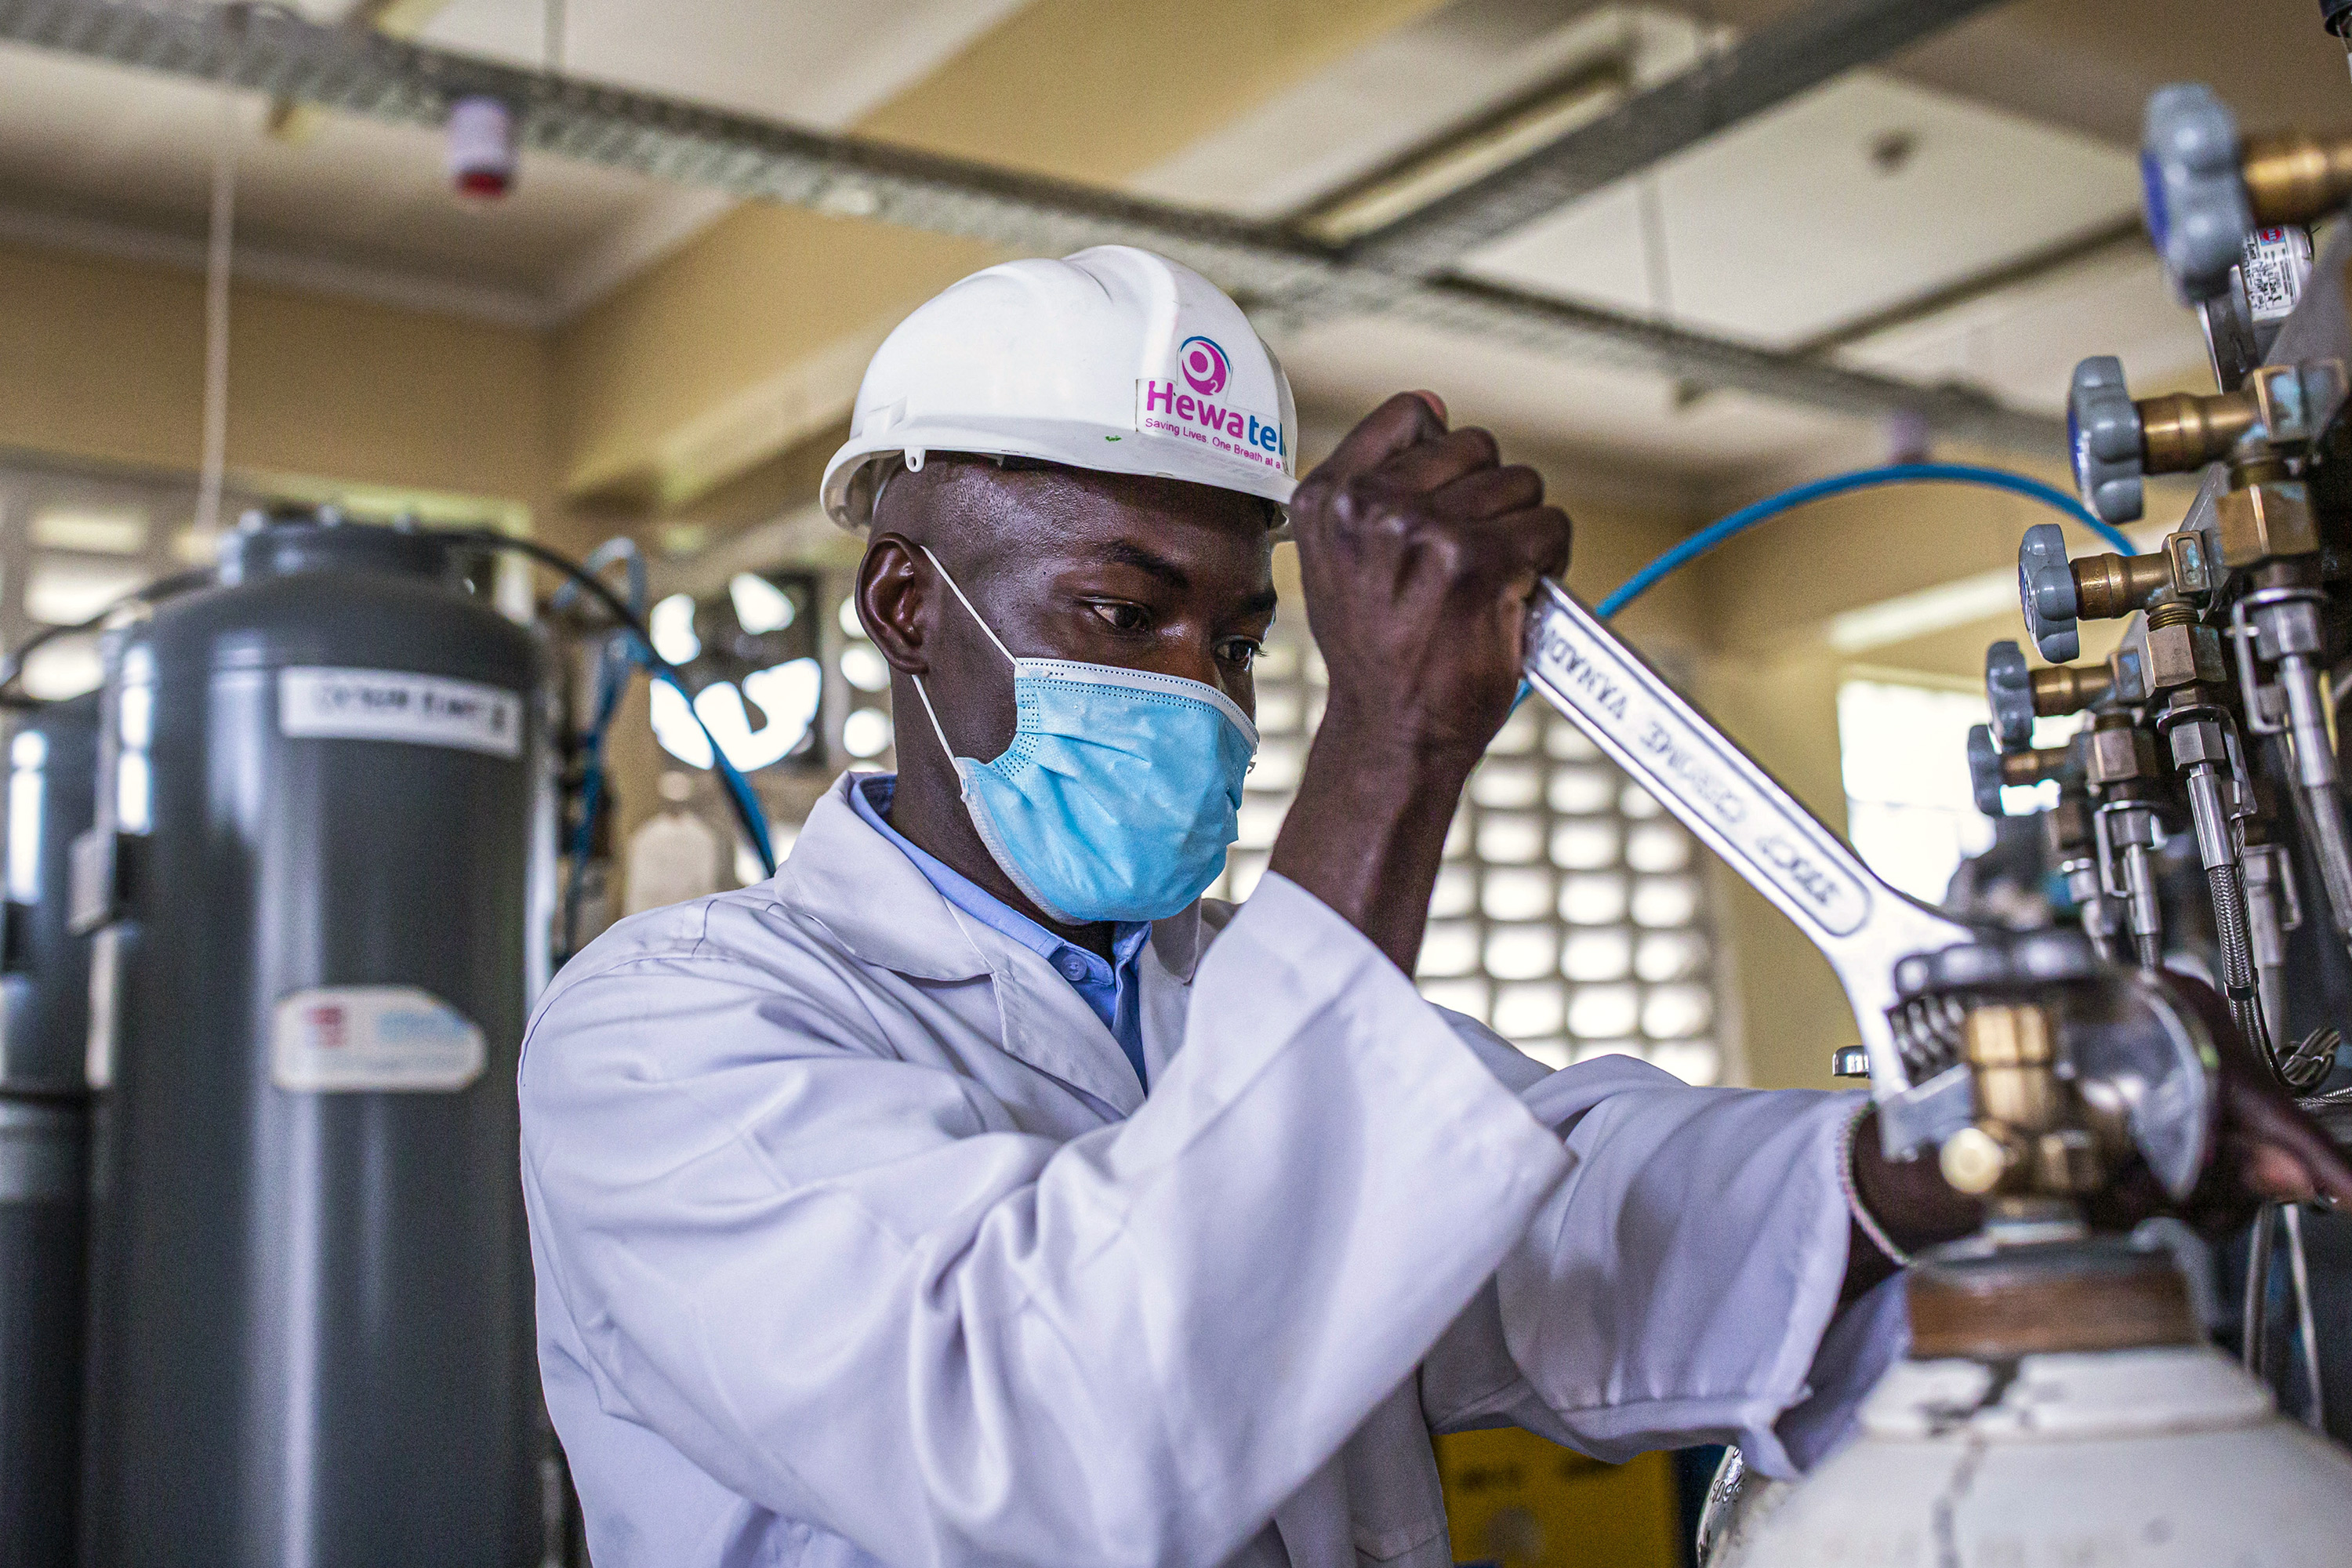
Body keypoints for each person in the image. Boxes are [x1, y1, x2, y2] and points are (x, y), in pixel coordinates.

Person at [520, 246, 2352, 1568]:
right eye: (1118, 608)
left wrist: (1946, 1155)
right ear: (911, 608)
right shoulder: (673, 1030)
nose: (1202, 687)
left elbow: (1565, 1215)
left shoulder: (1236, 993)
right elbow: (1038, 1433)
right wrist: (1389, 753)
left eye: (1241, 635)